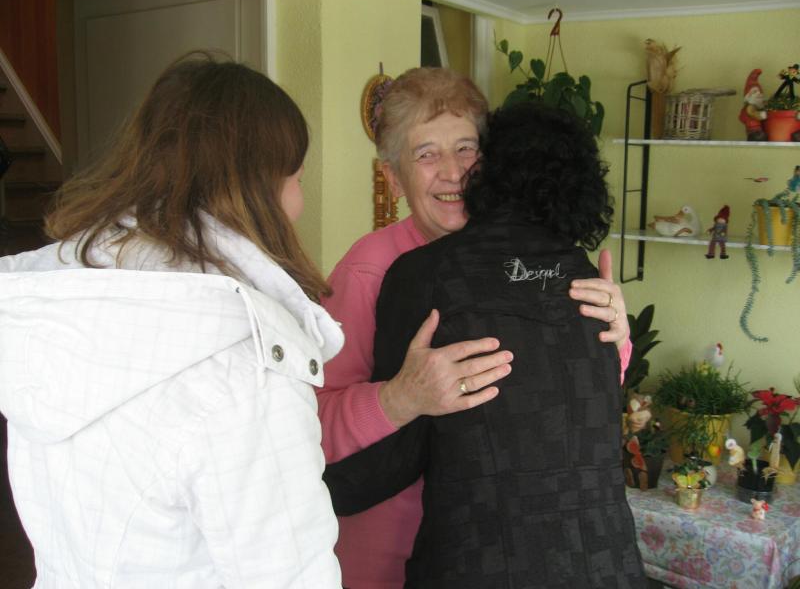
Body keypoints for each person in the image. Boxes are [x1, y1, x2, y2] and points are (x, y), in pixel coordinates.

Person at [0, 53, 343, 588]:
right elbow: (291, 576)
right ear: (260, 190)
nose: (299, 198)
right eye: (296, 178)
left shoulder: (53, 310)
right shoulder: (245, 367)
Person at [318, 67, 632, 588]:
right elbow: (310, 423)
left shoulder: (531, 260)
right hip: (391, 550)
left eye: (466, 150)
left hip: (496, 548)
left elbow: (571, 400)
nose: (453, 173)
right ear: (393, 178)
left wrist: (615, 339)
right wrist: (399, 398)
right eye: (426, 155)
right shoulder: (369, 271)